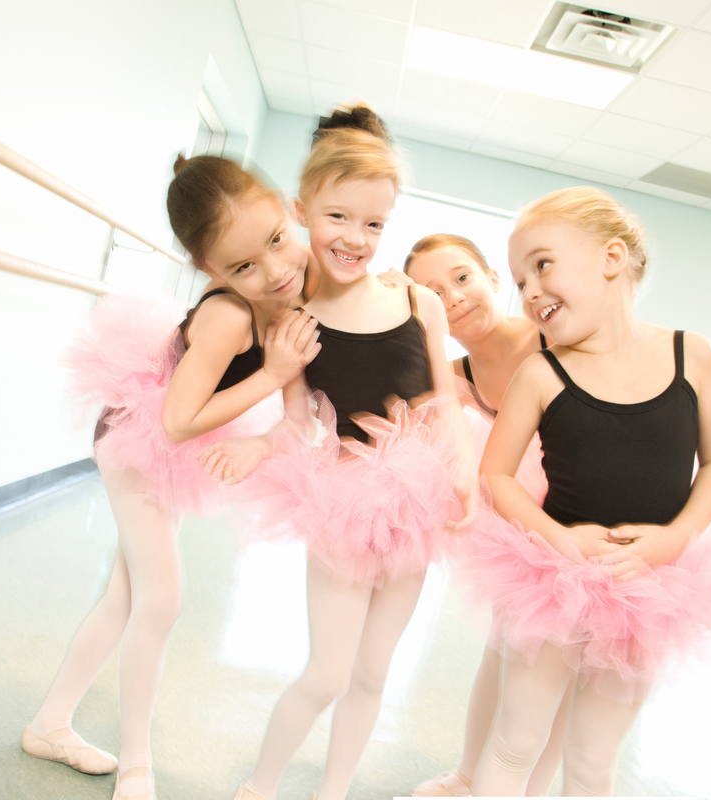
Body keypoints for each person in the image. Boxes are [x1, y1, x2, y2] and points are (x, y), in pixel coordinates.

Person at [461, 186, 711, 796]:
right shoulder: (541, 373)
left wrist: (675, 538)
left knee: (591, 757)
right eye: (519, 280)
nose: (528, 291)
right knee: (518, 741)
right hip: (552, 577)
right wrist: (560, 540)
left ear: (611, 258)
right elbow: (495, 475)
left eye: (542, 264)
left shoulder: (694, 356)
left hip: (648, 587)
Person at [22, 155, 323, 800]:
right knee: (160, 600)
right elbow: (179, 422)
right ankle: (137, 764)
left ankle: (49, 723)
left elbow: (293, 417)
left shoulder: (296, 279)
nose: (273, 272)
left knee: (127, 596)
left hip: (164, 444)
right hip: (138, 444)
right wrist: (272, 374)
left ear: (285, 210)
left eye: (276, 241)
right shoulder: (231, 315)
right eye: (243, 267)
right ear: (208, 271)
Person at [229, 107, 477, 800]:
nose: (356, 239)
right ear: (302, 210)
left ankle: (331, 791)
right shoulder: (294, 315)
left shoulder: (419, 303)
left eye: (374, 225)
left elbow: (446, 403)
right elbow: (297, 415)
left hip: (418, 502)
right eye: (339, 218)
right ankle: (261, 785)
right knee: (328, 673)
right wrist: (255, 446)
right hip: (342, 501)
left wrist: (462, 468)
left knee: (373, 673)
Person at [403, 234, 569, 798]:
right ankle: (470, 774)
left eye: (462, 277)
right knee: (504, 648)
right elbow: (398, 407)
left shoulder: (555, 336)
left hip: (584, 502)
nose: (452, 296)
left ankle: (531, 790)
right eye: (432, 291)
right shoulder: (455, 373)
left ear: (493, 278)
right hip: (521, 512)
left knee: (565, 668)